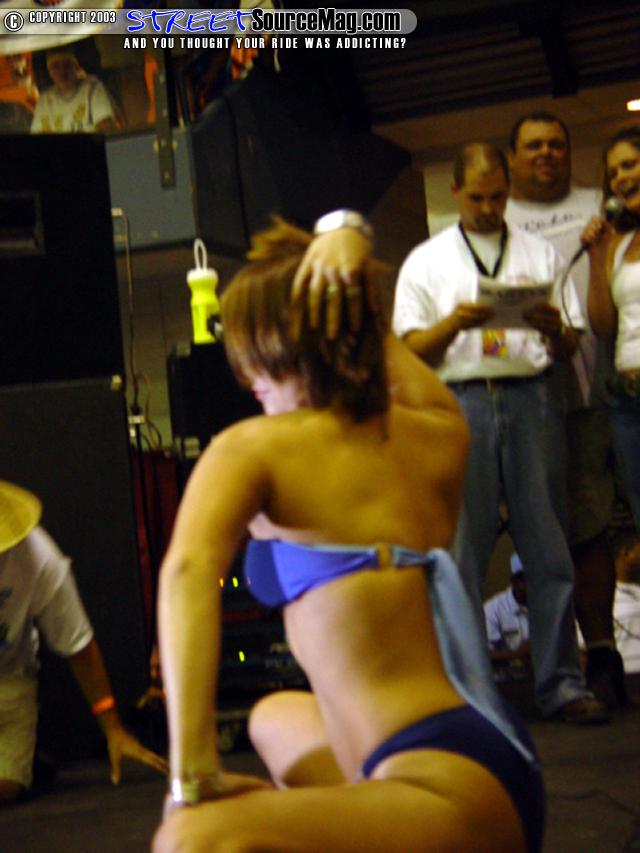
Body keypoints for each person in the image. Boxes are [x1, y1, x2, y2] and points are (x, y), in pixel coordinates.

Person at [153, 217, 545, 853]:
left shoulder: (254, 448)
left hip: (444, 789)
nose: (248, 379)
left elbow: (187, 572)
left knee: (191, 839)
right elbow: (375, 337)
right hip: (495, 761)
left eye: (252, 354)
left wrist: (191, 776)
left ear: (288, 342)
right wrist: (349, 241)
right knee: (273, 717)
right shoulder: (438, 426)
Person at [392, 142, 608, 724]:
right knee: (463, 552)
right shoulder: (426, 261)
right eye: (478, 198)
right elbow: (408, 351)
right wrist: (452, 324)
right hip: (460, 401)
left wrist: (554, 327)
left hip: (532, 396)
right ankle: (471, 693)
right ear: (456, 192)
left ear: (507, 191)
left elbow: (569, 343)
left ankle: (561, 684)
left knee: (548, 546)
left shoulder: (540, 254)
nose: (489, 209)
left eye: (498, 197)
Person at [506, 111, 626, 708]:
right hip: (526, 398)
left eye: (556, 144)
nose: (546, 154)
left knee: (594, 527)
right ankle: (561, 667)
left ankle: (602, 654)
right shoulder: (495, 217)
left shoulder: (597, 207)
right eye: (533, 146)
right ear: (513, 158)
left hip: (600, 391)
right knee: (547, 536)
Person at [0, 480, 167, 804]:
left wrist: (113, 729)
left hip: (10, 680)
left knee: (6, 789)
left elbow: (78, 644)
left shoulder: (38, 557)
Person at [583, 125, 640, 538]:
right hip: (627, 399)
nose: (621, 177)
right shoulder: (619, 242)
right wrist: (597, 255)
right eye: (614, 172)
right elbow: (603, 325)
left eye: (631, 165)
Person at [30, 47, 116, 134]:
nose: (62, 72)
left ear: (76, 67)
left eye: (67, 65)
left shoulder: (92, 89)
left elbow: (106, 128)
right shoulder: (44, 101)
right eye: (56, 66)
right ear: (49, 71)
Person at [484, 553, 530, 681]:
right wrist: (518, 654)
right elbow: (482, 655)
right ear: (514, 581)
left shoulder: (546, 603)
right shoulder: (493, 610)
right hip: (506, 682)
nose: (531, 584)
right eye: (524, 579)